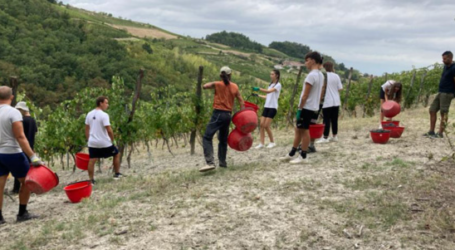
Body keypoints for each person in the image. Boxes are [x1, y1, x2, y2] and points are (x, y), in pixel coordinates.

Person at [0, 86, 43, 224]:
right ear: (11, 97)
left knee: (0, 184)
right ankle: (22, 213)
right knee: (27, 182)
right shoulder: (14, 113)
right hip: (13, 153)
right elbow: (20, 136)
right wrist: (32, 156)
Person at [280, 52, 324, 164]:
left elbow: (305, 94)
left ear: (313, 61)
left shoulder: (311, 75)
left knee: (304, 130)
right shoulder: (321, 75)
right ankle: (292, 153)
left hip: (306, 106)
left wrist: (300, 108)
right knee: (298, 129)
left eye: (307, 60)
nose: (306, 63)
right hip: (313, 106)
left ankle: (303, 155)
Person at [199, 66, 245, 172]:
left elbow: (205, 86)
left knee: (207, 137)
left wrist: (214, 83)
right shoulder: (235, 87)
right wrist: (242, 115)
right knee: (223, 140)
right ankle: (223, 163)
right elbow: (241, 102)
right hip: (228, 116)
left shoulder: (217, 84)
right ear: (230, 75)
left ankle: (210, 162)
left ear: (221, 75)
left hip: (218, 114)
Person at [85, 96, 122, 184]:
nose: (107, 105)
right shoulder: (104, 115)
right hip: (104, 142)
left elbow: (86, 128)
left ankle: (91, 180)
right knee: (116, 154)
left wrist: (88, 139)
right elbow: (109, 130)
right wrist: (112, 140)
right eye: (106, 103)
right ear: (101, 103)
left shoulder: (89, 114)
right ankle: (117, 174)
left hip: (92, 142)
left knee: (92, 160)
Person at [424, 51, 455, 138]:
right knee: (432, 110)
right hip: (441, 92)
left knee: (443, 113)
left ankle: (440, 133)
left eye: (444, 59)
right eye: (442, 58)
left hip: (447, 93)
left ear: (450, 57)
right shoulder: (446, 66)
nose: (443, 60)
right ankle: (431, 131)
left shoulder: (454, 68)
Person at [11, 102, 38, 194]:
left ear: (22, 110)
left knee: (19, 169)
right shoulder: (33, 120)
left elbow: (19, 134)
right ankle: (31, 187)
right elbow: (34, 133)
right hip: (30, 147)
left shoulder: (22, 121)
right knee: (29, 169)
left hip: (22, 147)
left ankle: (16, 189)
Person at [252, 70, 282, 149]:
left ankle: (272, 142)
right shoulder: (270, 85)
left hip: (273, 107)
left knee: (266, 125)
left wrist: (259, 89)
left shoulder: (278, 85)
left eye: (272, 74)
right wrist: (257, 95)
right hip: (267, 106)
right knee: (261, 125)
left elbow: (268, 92)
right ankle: (261, 143)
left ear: (277, 76)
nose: (270, 75)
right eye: (270, 74)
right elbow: (268, 96)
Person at [316, 62, 343, 143]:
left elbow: (323, 88)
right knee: (334, 119)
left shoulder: (324, 76)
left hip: (327, 101)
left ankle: (325, 137)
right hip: (336, 101)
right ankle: (335, 136)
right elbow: (340, 88)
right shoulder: (336, 75)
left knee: (326, 119)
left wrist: (319, 99)